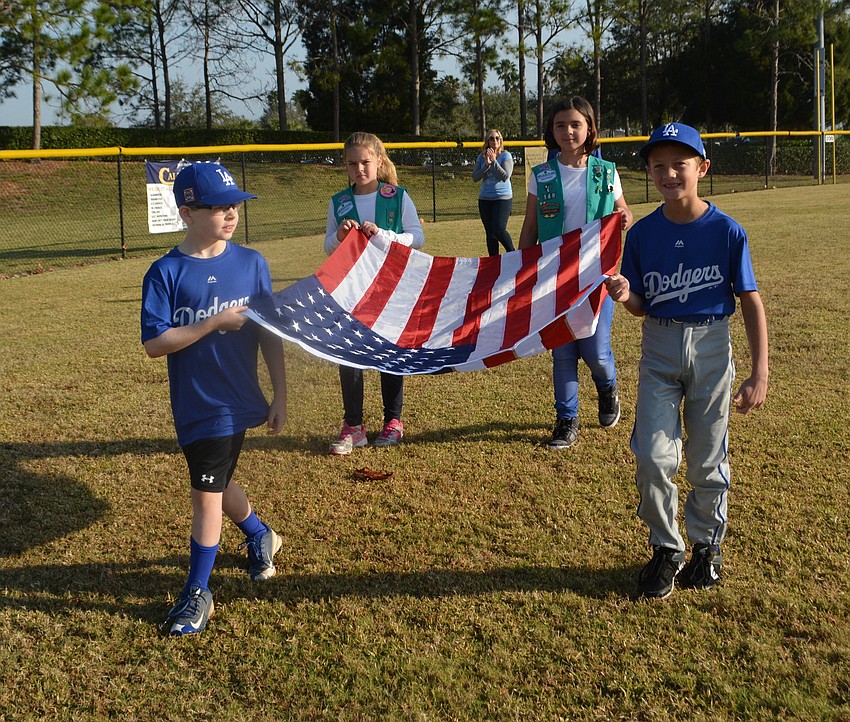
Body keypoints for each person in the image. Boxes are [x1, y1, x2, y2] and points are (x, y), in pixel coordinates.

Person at [605, 122, 769, 599]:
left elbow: (750, 301)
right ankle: (666, 546)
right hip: (659, 347)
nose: (670, 173)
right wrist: (625, 293)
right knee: (653, 456)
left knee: (705, 458)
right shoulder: (643, 234)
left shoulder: (726, 230)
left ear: (702, 168)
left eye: (680, 163)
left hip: (713, 346)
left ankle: (706, 547)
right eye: (659, 165)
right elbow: (641, 304)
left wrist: (760, 371)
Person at [141, 162, 288, 636]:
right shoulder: (165, 271)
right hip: (192, 403)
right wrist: (210, 323)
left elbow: (271, 336)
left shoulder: (252, 263)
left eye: (235, 205)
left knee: (205, 494)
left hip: (235, 402)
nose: (231, 214)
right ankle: (261, 534)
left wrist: (280, 392)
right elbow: (154, 343)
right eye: (219, 207)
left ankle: (197, 592)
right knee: (216, 482)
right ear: (187, 212)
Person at [518, 97, 633, 450]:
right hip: (554, 279)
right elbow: (531, 225)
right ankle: (566, 420)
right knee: (563, 352)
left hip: (598, 276)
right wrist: (520, 266)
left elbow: (622, 211)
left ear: (589, 129)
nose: (568, 132)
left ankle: (607, 385)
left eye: (575, 125)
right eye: (559, 125)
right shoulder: (542, 175)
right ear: (551, 132)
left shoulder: (606, 171)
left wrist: (625, 216)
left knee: (596, 351)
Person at [324, 132, 425, 455]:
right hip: (352, 288)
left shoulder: (396, 196)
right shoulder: (338, 201)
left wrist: (385, 235)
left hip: (390, 285)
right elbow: (327, 246)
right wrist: (339, 236)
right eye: (352, 164)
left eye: (365, 162)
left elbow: (417, 237)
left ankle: (393, 421)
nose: (359, 169)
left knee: (388, 351)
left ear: (378, 162)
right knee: (348, 353)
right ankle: (354, 426)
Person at [472, 129, 515, 256]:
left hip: (502, 198)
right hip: (485, 199)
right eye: (492, 138)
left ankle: (512, 254)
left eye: (497, 138)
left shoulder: (506, 155)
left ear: (501, 140)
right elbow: (475, 177)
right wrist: (485, 165)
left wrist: (494, 161)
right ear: (487, 141)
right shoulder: (481, 157)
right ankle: (494, 262)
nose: (495, 140)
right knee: (490, 233)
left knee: (498, 229)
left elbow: (505, 176)